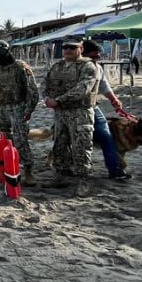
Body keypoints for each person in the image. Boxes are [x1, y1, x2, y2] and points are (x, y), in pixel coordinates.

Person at [41, 39, 101, 196]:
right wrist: (47, 98)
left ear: (80, 49)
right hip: (60, 113)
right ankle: (60, 176)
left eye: (72, 48)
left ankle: (84, 181)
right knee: (59, 145)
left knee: (81, 147)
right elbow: (45, 84)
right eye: (65, 47)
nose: (68, 50)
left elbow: (82, 89)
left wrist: (58, 100)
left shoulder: (88, 66)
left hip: (80, 112)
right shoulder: (57, 66)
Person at [0, 39, 39, 186]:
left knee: (21, 141)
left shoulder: (20, 67)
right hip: (0, 110)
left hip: (17, 108)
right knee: (5, 141)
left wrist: (28, 111)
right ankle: (5, 168)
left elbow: (32, 91)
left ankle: (28, 170)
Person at [81, 40, 132, 181]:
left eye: (97, 57)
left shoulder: (97, 68)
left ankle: (115, 169)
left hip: (92, 107)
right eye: (93, 57)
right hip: (72, 110)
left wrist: (114, 100)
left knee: (106, 136)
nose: (96, 59)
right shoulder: (69, 68)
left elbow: (103, 85)